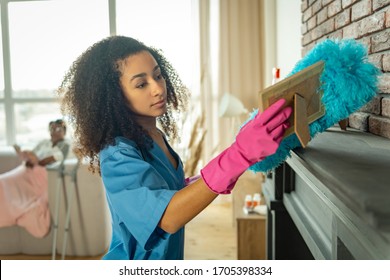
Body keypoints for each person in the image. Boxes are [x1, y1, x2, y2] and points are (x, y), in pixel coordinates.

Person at [58, 35, 292, 260]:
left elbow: (169, 188)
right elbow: (167, 217)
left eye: (158, 76)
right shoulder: (117, 155)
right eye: (141, 84)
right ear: (113, 97)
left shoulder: (152, 135)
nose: (158, 88)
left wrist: (235, 156)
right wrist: (238, 154)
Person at [0, 119, 70, 238]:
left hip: (40, 175)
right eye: (52, 129)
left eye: (59, 129)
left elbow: (56, 157)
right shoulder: (44, 143)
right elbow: (33, 154)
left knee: (5, 184)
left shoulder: (65, 145)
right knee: (2, 181)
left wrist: (37, 161)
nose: (55, 132)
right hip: (27, 170)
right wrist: (27, 158)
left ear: (64, 131)